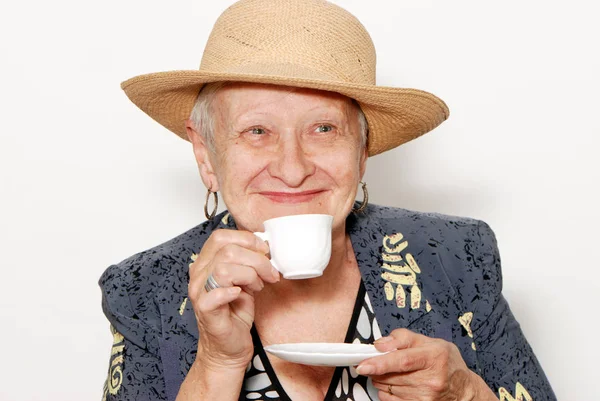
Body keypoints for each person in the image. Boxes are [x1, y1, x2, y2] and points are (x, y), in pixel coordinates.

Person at [99, 0, 556, 400]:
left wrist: (465, 395)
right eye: (257, 131)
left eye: (324, 129)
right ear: (206, 155)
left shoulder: (454, 256)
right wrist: (217, 364)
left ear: (362, 151)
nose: (293, 169)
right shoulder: (144, 290)